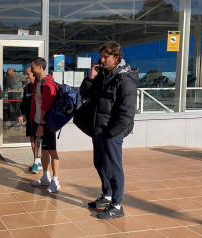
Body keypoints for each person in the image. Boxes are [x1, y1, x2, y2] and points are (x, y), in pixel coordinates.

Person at [80, 41, 138, 219]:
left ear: (116, 57)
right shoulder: (103, 76)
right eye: (101, 56)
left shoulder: (125, 80)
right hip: (99, 129)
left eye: (106, 57)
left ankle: (117, 205)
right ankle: (106, 195)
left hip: (111, 132)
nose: (102, 60)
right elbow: (85, 94)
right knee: (100, 164)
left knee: (113, 168)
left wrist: (111, 132)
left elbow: (127, 113)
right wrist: (91, 77)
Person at [29, 57, 60, 193]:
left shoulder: (48, 84)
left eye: (33, 67)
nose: (31, 70)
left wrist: (41, 125)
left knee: (52, 151)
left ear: (40, 67)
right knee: (43, 150)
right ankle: (45, 177)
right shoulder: (38, 83)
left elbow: (46, 106)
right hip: (37, 122)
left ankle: (55, 180)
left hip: (46, 124)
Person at [17, 67, 42, 174]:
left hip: (40, 120)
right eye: (25, 74)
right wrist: (20, 114)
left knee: (39, 141)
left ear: (34, 74)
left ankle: (37, 162)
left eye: (28, 74)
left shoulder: (41, 86)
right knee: (33, 140)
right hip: (30, 118)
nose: (26, 76)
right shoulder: (27, 87)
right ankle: (37, 161)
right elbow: (24, 102)